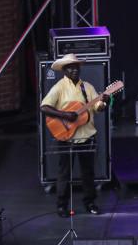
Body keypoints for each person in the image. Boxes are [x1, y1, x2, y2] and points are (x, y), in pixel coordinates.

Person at [40, 53, 110, 217]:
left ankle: (90, 203)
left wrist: (103, 102)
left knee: (88, 172)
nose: (74, 70)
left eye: (76, 67)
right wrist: (65, 116)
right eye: (70, 67)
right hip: (66, 137)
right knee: (64, 172)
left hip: (87, 136)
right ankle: (61, 205)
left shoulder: (88, 87)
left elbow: (97, 108)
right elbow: (44, 107)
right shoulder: (59, 87)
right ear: (64, 70)